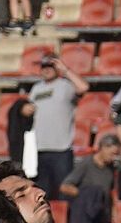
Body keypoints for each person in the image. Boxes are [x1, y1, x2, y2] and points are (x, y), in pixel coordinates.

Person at [21, 53, 87, 196]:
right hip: (40, 150)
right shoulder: (36, 88)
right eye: (44, 66)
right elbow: (27, 110)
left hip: (61, 151)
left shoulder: (66, 85)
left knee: (63, 195)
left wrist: (65, 70)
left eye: (51, 65)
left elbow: (83, 87)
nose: (46, 69)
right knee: (44, 195)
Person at [58, 133, 121, 223]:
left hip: (104, 220)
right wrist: (85, 196)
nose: (114, 157)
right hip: (89, 221)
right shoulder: (86, 164)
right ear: (103, 148)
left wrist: (114, 220)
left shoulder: (110, 168)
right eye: (112, 153)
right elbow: (65, 186)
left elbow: (110, 194)